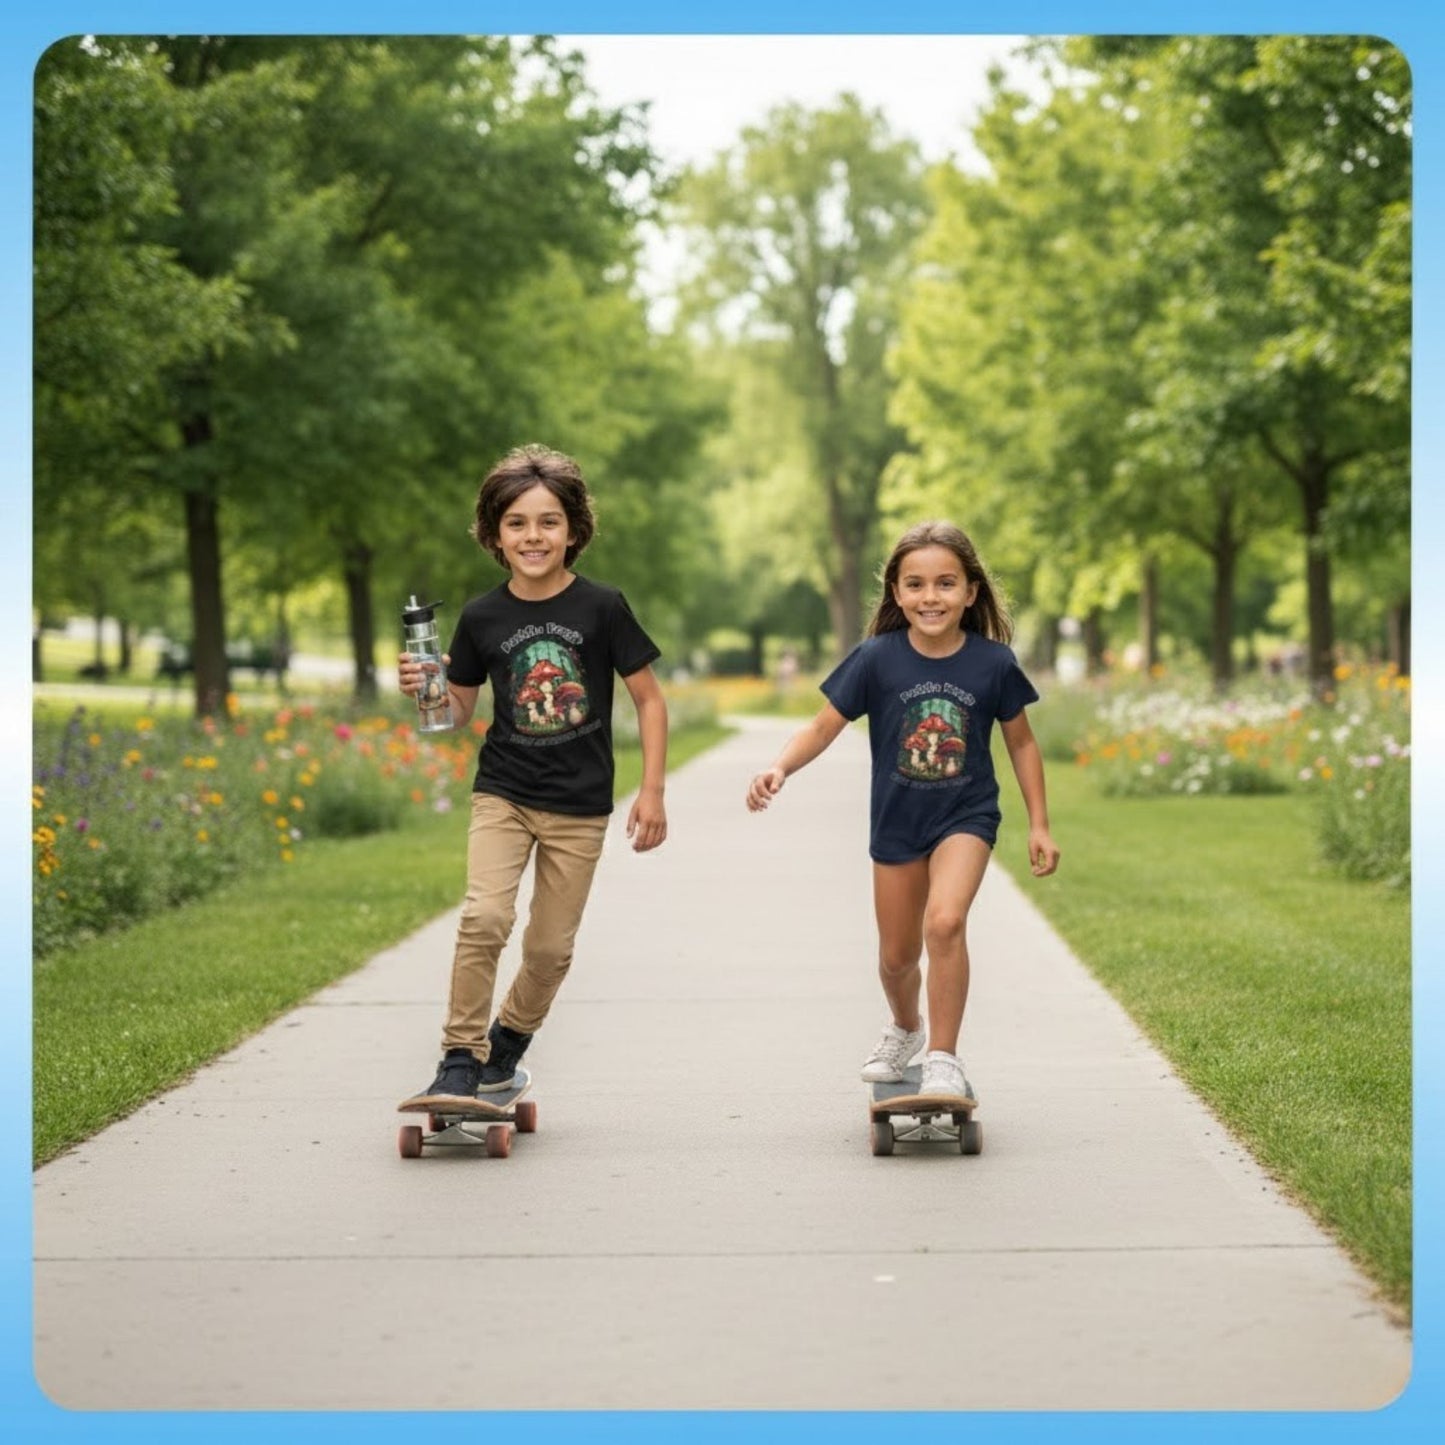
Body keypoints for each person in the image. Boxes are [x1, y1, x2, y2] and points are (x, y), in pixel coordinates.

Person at [745, 520, 1059, 1102]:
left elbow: (1021, 742)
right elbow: (822, 726)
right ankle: (906, 1028)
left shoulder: (993, 663)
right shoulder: (875, 659)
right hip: (895, 824)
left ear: (970, 591)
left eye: (945, 584)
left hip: (966, 816)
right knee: (895, 959)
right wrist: (780, 767)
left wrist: (1039, 823)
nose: (930, 597)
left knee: (944, 923)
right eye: (915, 585)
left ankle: (943, 1056)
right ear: (896, 593)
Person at [399, 444, 668, 1108]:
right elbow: (456, 711)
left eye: (548, 521)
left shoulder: (602, 607)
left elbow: (649, 699)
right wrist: (424, 689)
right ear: (494, 534)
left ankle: (507, 1044)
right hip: (504, 795)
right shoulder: (482, 616)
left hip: (579, 805)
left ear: (573, 530)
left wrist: (653, 790)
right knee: (484, 915)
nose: (533, 536)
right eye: (517, 522)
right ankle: (460, 1057)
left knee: (548, 949)